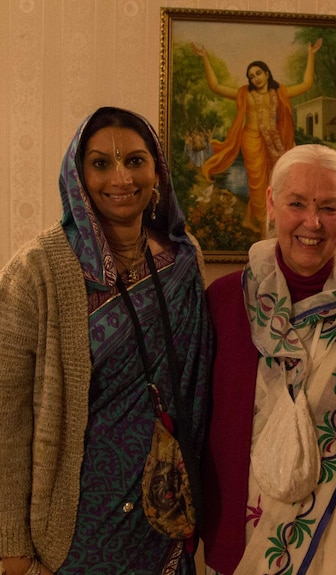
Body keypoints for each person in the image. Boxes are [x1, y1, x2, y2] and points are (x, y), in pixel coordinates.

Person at [0, 107, 212, 574]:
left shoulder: (181, 260)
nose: (121, 177)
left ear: (157, 170)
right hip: (74, 523)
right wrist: (11, 548)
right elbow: (6, 420)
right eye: (101, 163)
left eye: (135, 160)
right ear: (78, 175)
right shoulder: (38, 270)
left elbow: (199, 385)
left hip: (166, 506)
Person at [201, 144, 336, 575]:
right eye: (297, 203)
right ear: (271, 205)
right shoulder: (224, 302)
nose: (311, 223)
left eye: (328, 207)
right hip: (249, 528)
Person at [193, 39, 323, 236]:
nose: (255, 78)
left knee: (277, 181)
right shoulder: (244, 93)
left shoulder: (280, 91)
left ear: (267, 73)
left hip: (275, 142)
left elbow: (306, 84)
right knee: (257, 184)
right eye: (251, 76)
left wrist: (311, 55)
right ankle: (264, 226)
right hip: (251, 140)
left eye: (258, 73)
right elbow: (216, 86)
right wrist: (205, 58)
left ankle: (250, 219)